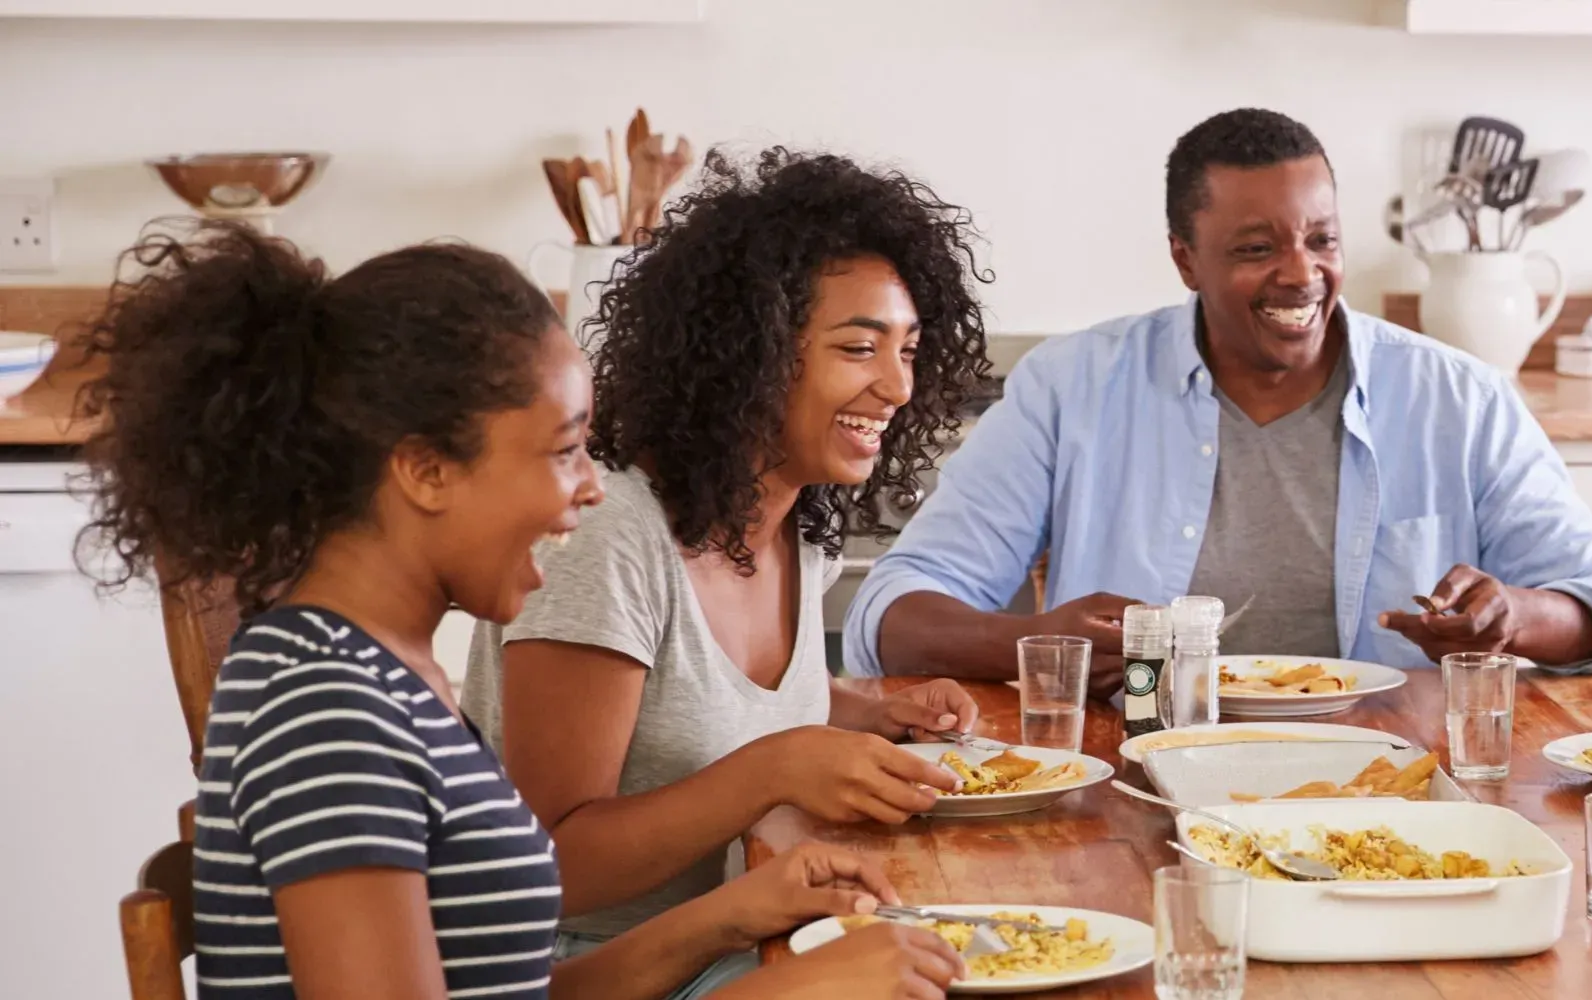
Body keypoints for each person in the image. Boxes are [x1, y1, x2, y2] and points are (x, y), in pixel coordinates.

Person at [80, 223, 962, 999]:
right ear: (425, 469)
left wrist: (729, 918)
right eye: (565, 450)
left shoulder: (388, 674)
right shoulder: (326, 709)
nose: (590, 491)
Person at [845, 108, 1592, 679]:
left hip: (1396, 786)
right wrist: (1033, 643)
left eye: (1321, 239)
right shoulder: (1071, 388)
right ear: (1185, 259)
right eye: (1256, 247)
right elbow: (889, 615)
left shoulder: (1457, 398)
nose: (1301, 273)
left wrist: (1514, 617)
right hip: (1139, 778)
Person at [459, 148, 998, 992]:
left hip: (746, 938)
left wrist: (870, 710)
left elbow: (694, 707)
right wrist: (779, 767)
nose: (897, 385)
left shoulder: (795, 520)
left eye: (910, 349)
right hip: (591, 971)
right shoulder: (611, 537)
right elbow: (548, 866)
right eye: (860, 347)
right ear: (748, 356)